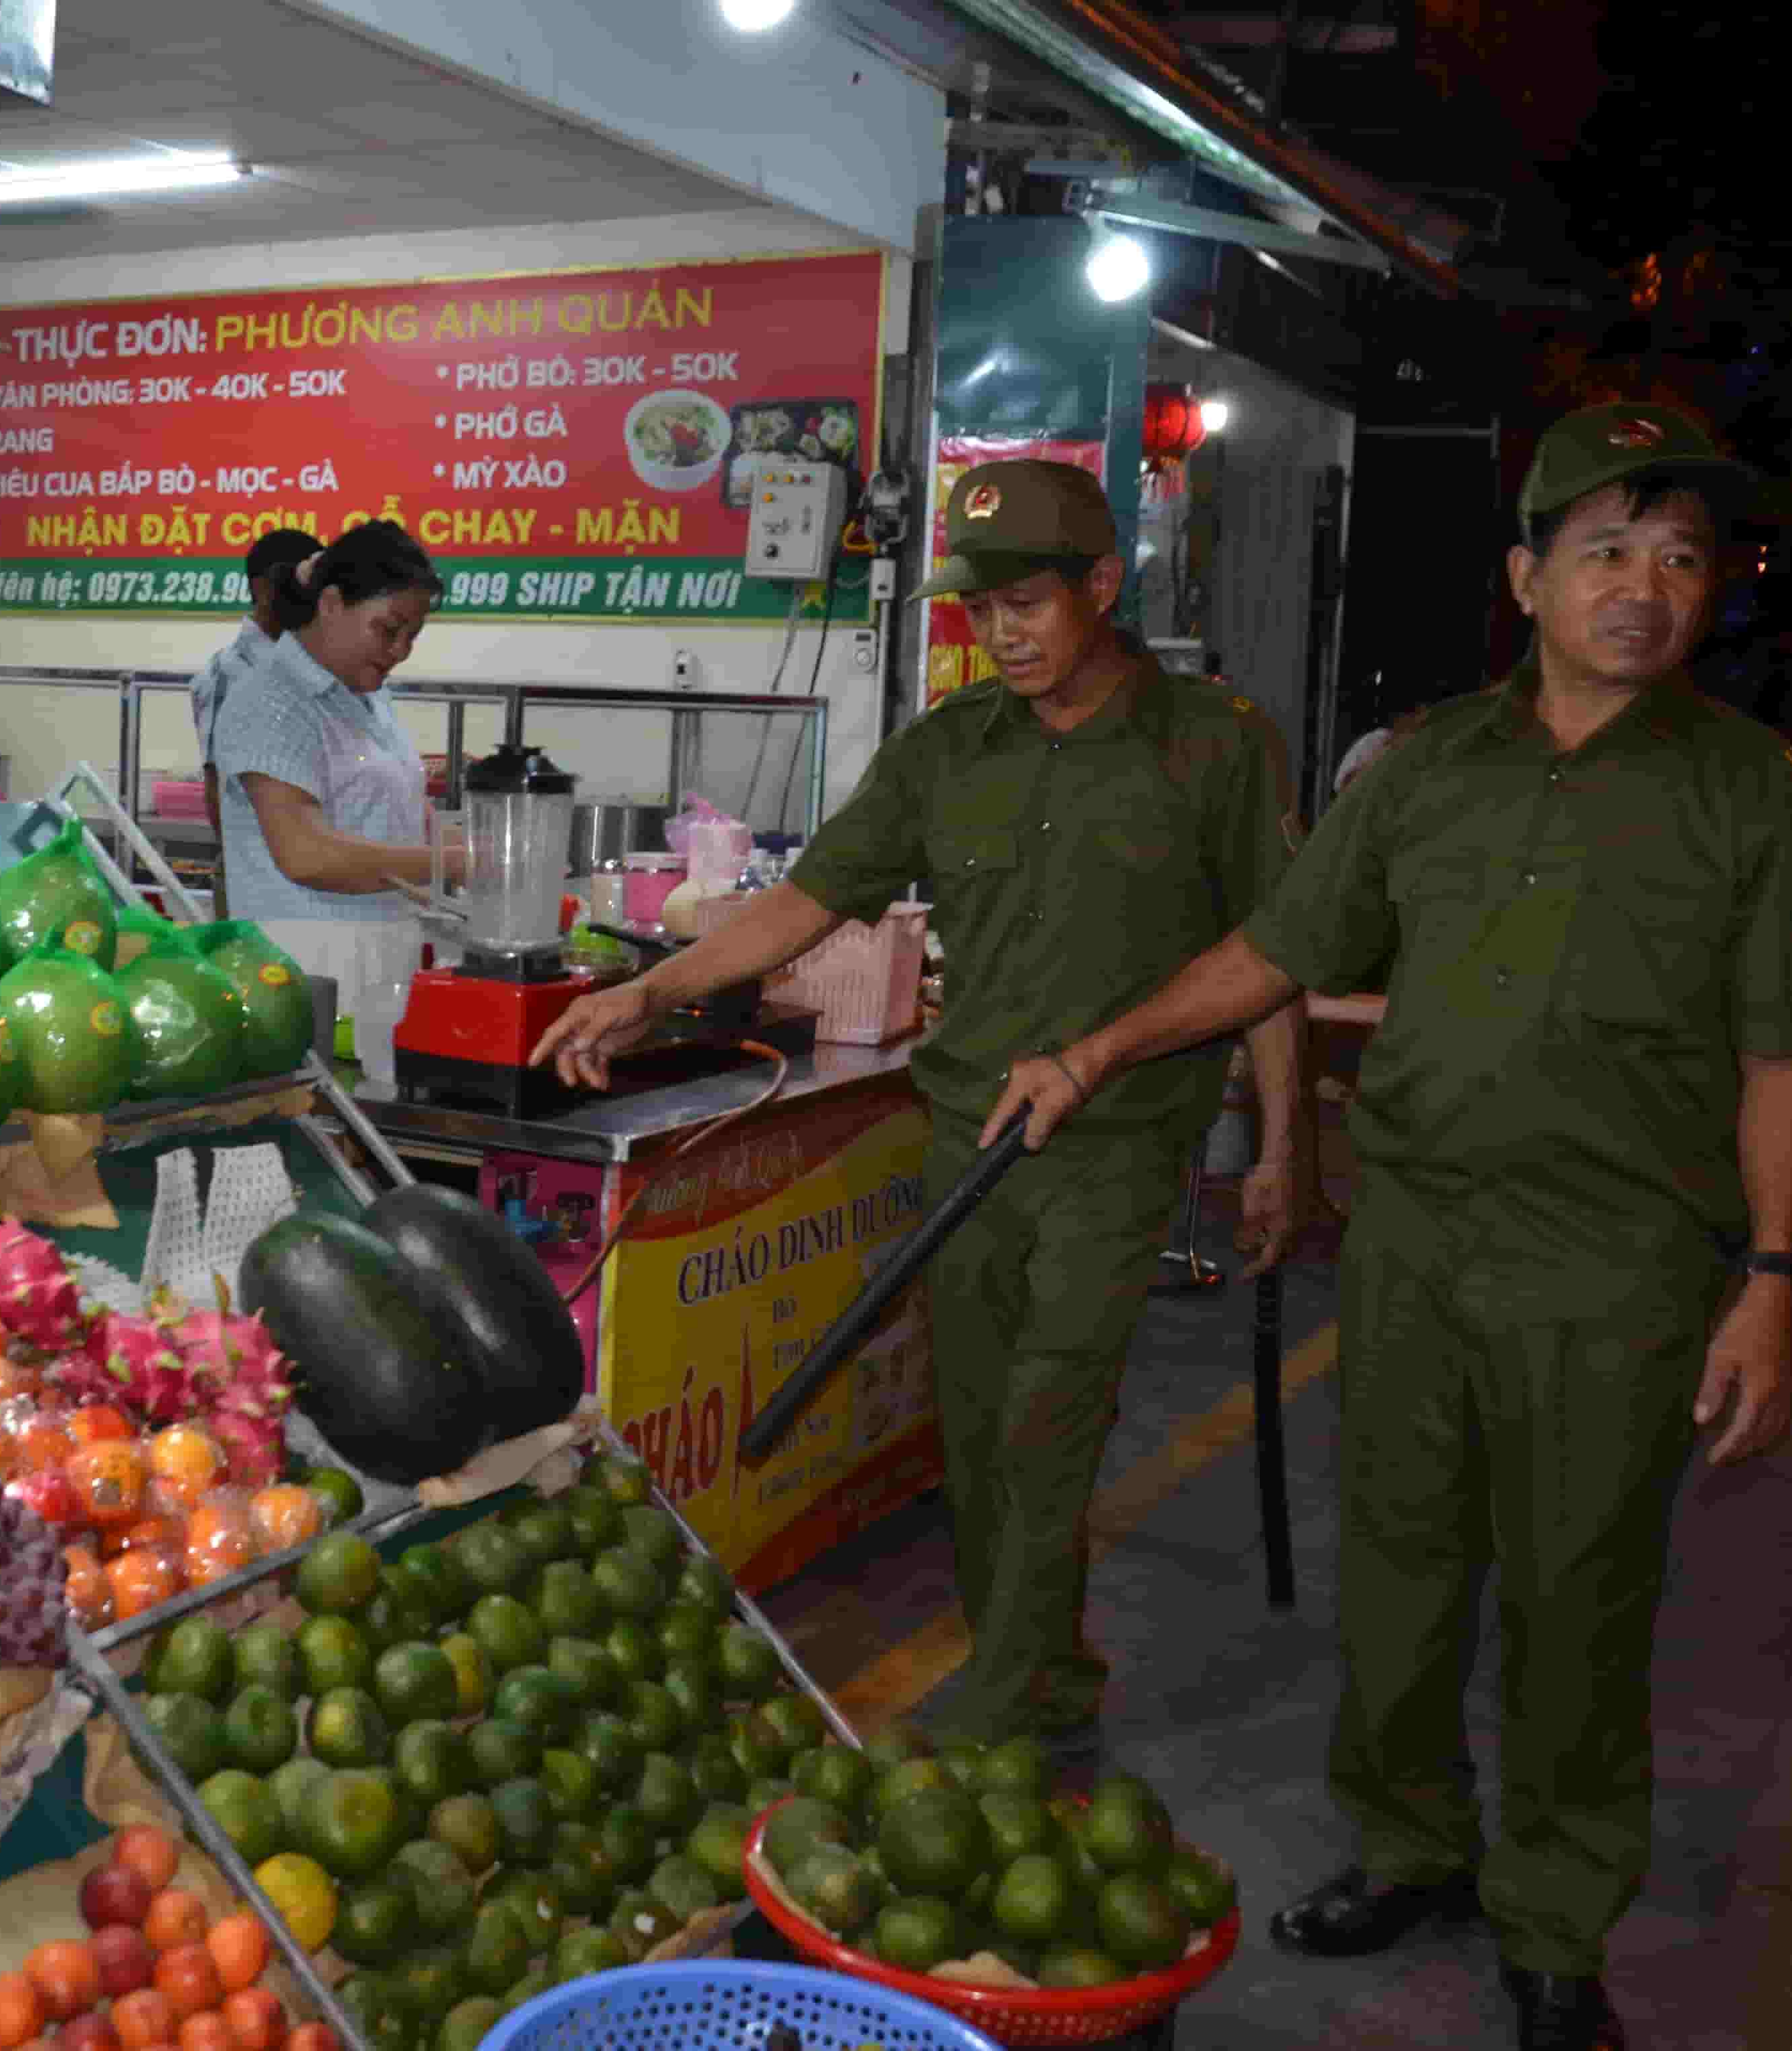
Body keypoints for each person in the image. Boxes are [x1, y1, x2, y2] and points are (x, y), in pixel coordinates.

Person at [979, 403, 1792, 2051]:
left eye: (1678, 559)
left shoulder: (1757, 796)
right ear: (1527, 576)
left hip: (1618, 1269)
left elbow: (1784, 1056)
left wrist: (1770, 1280)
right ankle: (1408, 1842)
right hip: (1412, 1249)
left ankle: (1552, 1917)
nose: (1642, 588)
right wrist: (1099, 1049)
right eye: (1602, 551)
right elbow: (1276, 948)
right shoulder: (1425, 770)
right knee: (1393, 1575)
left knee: (1577, 1599)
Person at [534, 459, 1309, 1750]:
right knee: (978, 1433)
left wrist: (1286, 1145)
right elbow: (807, 899)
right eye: (978, 606)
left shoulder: (1214, 745)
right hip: (964, 1143)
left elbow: (1273, 956)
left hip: (1113, 1148)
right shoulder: (948, 750)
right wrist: (650, 991)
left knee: (1047, 1422)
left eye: (1029, 601)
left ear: (1104, 587)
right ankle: (1049, 1677)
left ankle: (998, 1719)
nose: (1001, 630)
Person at [209, 519, 453, 1011]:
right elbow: (307, 855)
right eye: (388, 629)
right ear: (331, 604)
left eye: (413, 635)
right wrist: (454, 865)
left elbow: (390, 815)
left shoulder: (367, 697)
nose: (401, 650)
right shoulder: (271, 701)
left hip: (380, 962)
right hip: (304, 973)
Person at [193, 527, 320, 913]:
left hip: (306, 862)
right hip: (255, 870)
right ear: (264, 589)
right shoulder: (230, 672)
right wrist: (238, 869)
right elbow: (217, 779)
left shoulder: (308, 665)